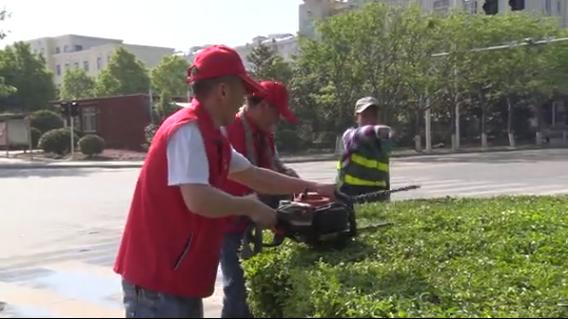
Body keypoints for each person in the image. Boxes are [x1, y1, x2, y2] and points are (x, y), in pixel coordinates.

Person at [113, 45, 335, 318]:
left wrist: (311, 188)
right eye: (243, 90)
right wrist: (250, 207)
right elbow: (198, 199)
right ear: (223, 91)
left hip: (179, 273)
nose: (245, 99)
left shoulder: (211, 134)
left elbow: (253, 175)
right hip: (157, 278)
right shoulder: (187, 131)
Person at [220, 80, 298, 318]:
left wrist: (296, 183)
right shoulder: (231, 129)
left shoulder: (263, 134)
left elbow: (274, 166)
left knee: (251, 285)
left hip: (255, 219)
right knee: (238, 288)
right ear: (264, 105)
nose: (278, 120)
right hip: (231, 223)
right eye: (277, 113)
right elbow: (246, 178)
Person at [337, 96, 393, 198]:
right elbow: (363, 133)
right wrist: (376, 130)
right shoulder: (350, 135)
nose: (370, 119)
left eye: (374, 115)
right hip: (351, 192)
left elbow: (385, 173)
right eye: (365, 116)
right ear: (356, 118)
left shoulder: (381, 140)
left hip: (377, 193)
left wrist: (387, 194)